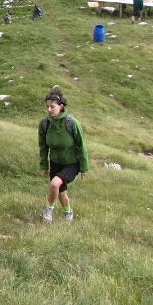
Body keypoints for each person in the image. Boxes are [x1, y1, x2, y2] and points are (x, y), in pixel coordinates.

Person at [39, 88, 89, 223]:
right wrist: (44, 165)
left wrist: (84, 168)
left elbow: (82, 145)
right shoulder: (45, 124)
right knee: (60, 191)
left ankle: (48, 209)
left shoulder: (72, 123)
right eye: (47, 107)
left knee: (55, 184)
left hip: (71, 163)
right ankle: (68, 213)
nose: (49, 110)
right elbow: (43, 146)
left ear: (61, 106)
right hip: (55, 162)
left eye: (52, 107)